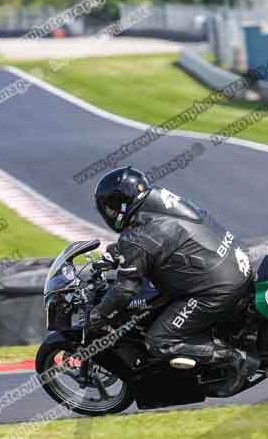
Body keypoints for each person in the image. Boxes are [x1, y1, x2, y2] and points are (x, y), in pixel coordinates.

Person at [89, 166, 259, 396]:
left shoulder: (136, 237)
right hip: (238, 260)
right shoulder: (162, 200)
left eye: (109, 207)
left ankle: (237, 360)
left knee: (160, 340)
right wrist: (120, 251)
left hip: (217, 287)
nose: (108, 213)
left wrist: (100, 313)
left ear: (121, 204)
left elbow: (125, 290)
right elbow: (162, 238)